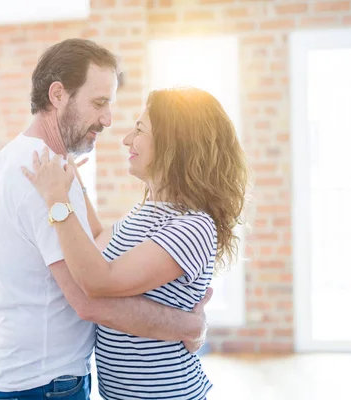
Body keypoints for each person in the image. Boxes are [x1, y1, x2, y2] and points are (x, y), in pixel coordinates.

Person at [0, 39, 212, 400]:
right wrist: (189, 324)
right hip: (46, 384)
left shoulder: (14, 158)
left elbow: (97, 243)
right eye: (99, 103)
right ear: (58, 95)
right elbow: (88, 299)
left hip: (23, 376)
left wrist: (79, 192)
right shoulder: (45, 176)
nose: (108, 120)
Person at [22, 86, 249, 399]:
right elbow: (100, 241)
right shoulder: (149, 212)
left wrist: (57, 200)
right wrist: (75, 186)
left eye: (140, 129)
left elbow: (99, 279)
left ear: (174, 144)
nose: (127, 139)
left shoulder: (191, 227)